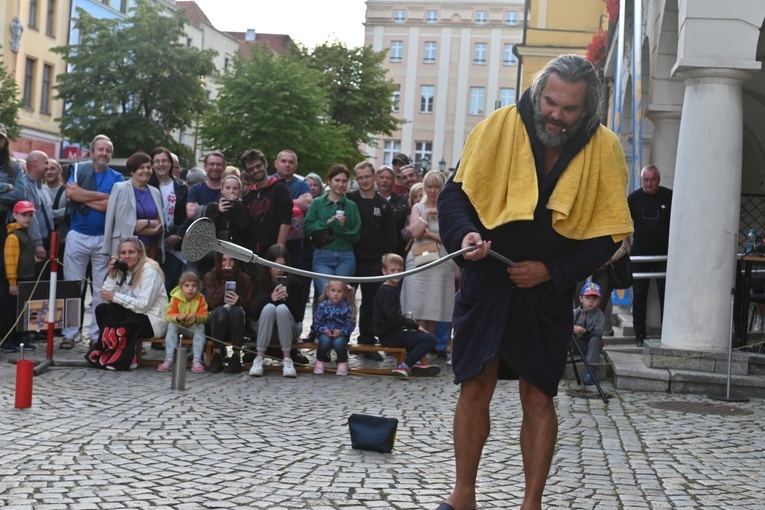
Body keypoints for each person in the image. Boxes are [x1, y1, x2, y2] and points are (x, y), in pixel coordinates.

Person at [435, 54, 633, 510]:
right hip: (486, 277)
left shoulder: (603, 147)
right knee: (474, 385)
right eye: (550, 102)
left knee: (539, 394)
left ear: (587, 109)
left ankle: (532, 504)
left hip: (546, 290)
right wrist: (464, 236)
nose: (556, 116)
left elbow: (608, 232)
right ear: (538, 93)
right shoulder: (498, 126)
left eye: (569, 109)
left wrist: (554, 271)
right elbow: (454, 195)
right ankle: (463, 495)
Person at [62, 134, 124, 349]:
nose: (104, 154)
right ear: (92, 151)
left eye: (108, 150)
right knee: (72, 287)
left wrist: (84, 196)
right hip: (78, 234)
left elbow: (113, 205)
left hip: (103, 238)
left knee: (100, 290)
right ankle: (69, 333)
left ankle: (97, 335)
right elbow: (71, 193)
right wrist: (100, 197)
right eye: (100, 149)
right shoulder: (79, 169)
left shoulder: (117, 177)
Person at [86, 237, 168, 371]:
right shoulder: (123, 269)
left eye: (131, 252)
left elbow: (144, 305)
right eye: (123, 253)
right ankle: (121, 354)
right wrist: (112, 274)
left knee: (114, 310)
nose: (127, 256)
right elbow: (106, 298)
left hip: (152, 320)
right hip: (133, 316)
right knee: (102, 310)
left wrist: (115, 297)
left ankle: (122, 357)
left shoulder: (149, 270)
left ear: (140, 254)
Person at [347, 161, 397, 360]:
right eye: (360, 178)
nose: (364, 181)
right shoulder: (350, 200)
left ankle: (366, 342)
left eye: (367, 176)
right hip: (351, 259)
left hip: (374, 262)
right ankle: (338, 339)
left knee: (370, 304)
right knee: (344, 301)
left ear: (374, 177)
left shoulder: (383, 205)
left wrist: (384, 262)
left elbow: (390, 237)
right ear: (356, 179)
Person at [401, 170, 456, 334]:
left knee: (434, 309)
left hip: (440, 262)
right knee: (416, 307)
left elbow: (450, 237)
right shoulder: (418, 207)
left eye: (436, 187)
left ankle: (426, 348)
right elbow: (416, 233)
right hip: (418, 262)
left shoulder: (448, 208)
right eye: (429, 187)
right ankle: (418, 350)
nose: (432, 191)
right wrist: (426, 213)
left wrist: (430, 234)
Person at [374, 253, 441, 378]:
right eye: (392, 270)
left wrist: (402, 316)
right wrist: (415, 325)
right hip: (390, 335)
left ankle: (417, 362)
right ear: (384, 271)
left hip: (392, 333)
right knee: (430, 339)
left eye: (399, 270)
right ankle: (405, 365)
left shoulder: (390, 289)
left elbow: (391, 314)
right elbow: (393, 318)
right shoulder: (386, 290)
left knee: (421, 338)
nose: (397, 273)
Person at [303, 164, 361, 303]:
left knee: (340, 298)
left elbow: (356, 235)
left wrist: (339, 229)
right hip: (322, 255)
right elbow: (307, 228)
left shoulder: (351, 206)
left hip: (346, 256)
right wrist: (327, 223)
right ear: (329, 180)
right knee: (325, 296)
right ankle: (320, 325)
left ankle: (340, 325)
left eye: (344, 181)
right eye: (337, 180)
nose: (340, 184)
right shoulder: (317, 203)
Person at [628, 164, 672, 346]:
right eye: (646, 180)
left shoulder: (669, 196)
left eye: (652, 179)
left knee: (666, 294)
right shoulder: (634, 198)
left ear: (658, 180)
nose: (649, 183)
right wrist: (627, 245)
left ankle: (668, 333)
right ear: (641, 180)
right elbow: (622, 222)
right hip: (639, 256)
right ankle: (639, 335)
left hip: (664, 256)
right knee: (639, 295)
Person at [247, 244, 305, 378]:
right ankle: (259, 357)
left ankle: (287, 359)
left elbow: (298, 317)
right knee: (270, 308)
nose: (278, 270)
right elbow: (253, 313)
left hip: (288, 329)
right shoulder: (260, 281)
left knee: (281, 309)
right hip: (263, 327)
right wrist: (270, 299)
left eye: (282, 266)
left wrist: (287, 300)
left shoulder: (295, 284)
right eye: (274, 265)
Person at [229, 148, 292, 263]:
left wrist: (279, 252)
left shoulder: (280, 189)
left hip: (272, 252)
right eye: (251, 169)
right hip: (251, 254)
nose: (256, 170)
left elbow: (286, 222)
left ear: (265, 164)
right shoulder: (248, 196)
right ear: (247, 172)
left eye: (258, 166)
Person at [103, 152, 165, 264]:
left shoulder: (155, 192)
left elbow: (161, 223)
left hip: (150, 250)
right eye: (141, 168)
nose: (146, 170)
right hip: (126, 251)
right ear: (132, 171)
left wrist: (146, 223)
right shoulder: (120, 188)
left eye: (148, 167)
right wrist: (152, 229)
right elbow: (126, 224)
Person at [203, 252, 255, 374]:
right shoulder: (210, 276)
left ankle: (236, 355)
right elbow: (213, 303)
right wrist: (226, 282)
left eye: (231, 260)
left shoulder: (244, 278)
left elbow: (251, 307)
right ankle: (217, 355)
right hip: (216, 324)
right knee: (220, 311)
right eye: (224, 260)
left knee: (236, 311)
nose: (227, 264)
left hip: (237, 325)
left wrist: (239, 300)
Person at [1, 201, 38, 353]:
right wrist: (12, 283)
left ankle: (19, 337)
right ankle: (6, 339)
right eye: (24, 215)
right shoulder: (13, 236)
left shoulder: (25, 233)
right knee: (10, 312)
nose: (27, 218)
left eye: (30, 215)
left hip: (27, 277)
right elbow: (10, 261)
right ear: (15, 215)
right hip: (17, 279)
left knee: (22, 311)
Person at [149, 147, 188, 293]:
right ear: (152, 164)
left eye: (164, 161)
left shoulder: (181, 187)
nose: (161, 164)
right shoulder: (146, 185)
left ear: (171, 163)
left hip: (174, 245)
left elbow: (187, 216)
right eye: (157, 161)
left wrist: (178, 235)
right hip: (152, 243)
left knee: (168, 286)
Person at [159, 271, 209, 373]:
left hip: (192, 328)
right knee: (172, 325)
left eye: (194, 286)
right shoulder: (175, 298)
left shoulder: (200, 298)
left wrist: (197, 317)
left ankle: (197, 359)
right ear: (181, 287)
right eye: (187, 285)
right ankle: (169, 358)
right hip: (179, 328)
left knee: (201, 326)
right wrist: (177, 317)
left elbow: (205, 316)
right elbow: (168, 316)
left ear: (198, 287)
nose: (190, 289)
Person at [312, 280, 356, 376]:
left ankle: (342, 362)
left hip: (341, 334)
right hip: (325, 332)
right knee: (324, 342)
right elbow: (316, 323)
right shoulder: (323, 306)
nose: (336, 294)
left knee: (339, 343)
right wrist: (323, 330)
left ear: (345, 293)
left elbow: (350, 324)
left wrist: (342, 332)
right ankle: (320, 361)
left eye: (339, 291)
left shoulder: (347, 307)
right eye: (333, 290)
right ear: (328, 291)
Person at [572, 282, 604, 384]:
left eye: (594, 299)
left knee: (595, 339)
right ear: (581, 299)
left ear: (599, 301)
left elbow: (598, 334)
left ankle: (590, 371)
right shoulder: (575, 313)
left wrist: (585, 332)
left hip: (591, 347)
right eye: (587, 298)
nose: (590, 302)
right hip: (576, 344)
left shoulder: (600, 316)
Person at [376, 165, 410, 258]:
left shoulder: (402, 200)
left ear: (393, 181)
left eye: (388, 178)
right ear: (376, 179)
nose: (384, 181)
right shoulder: (370, 199)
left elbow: (397, 218)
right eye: (382, 177)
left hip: (396, 250)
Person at [186, 151, 225, 219]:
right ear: (205, 167)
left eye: (218, 164)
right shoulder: (196, 188)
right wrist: (218, 210)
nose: (215, 168)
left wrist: (200, 209)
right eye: (211, 164)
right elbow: (191, 214)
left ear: (224, 167)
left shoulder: (228, 189)